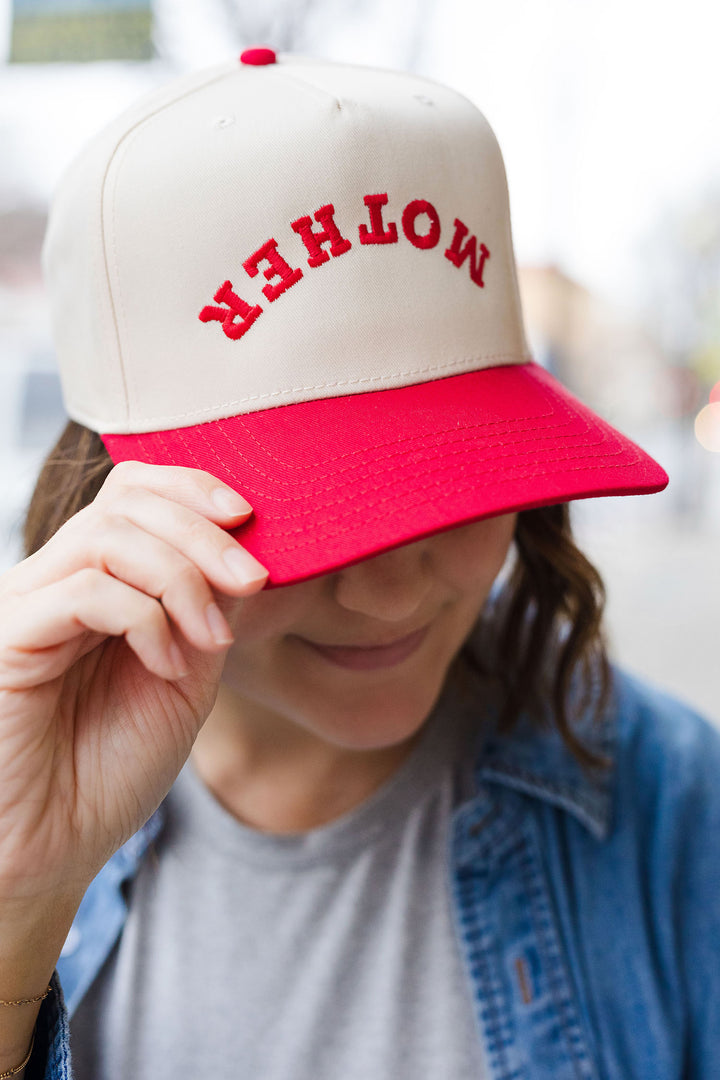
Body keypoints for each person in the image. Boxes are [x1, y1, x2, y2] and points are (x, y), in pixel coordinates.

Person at [0, 48, 717, 1080]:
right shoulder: (20, 792)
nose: (391, 592)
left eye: (455, 483)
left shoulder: (676, 805)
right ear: (114, 495)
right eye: (305, 511)